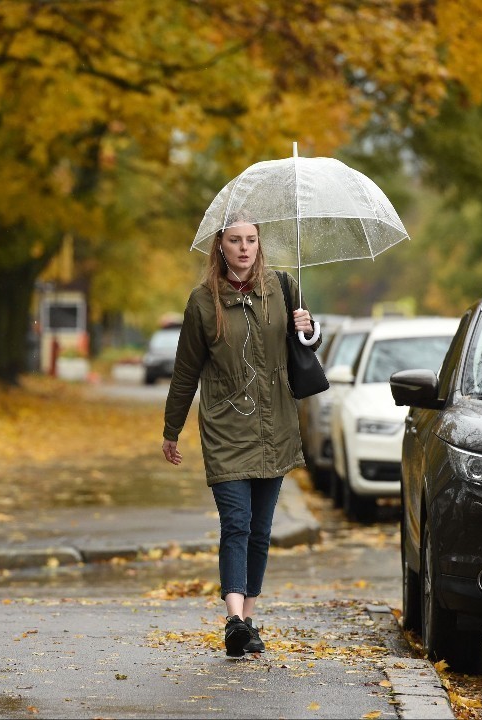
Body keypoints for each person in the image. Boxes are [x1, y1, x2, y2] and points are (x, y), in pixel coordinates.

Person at [161, 220, 318, 658]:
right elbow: (185, 372)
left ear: (258, 245)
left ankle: (247, 621)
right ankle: (233, 617)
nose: (244, 248)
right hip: (227, 427)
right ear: (221, 246)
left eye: (251, 240)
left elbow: (308, 345)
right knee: (237, 523)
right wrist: (171, 430)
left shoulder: (283, 287)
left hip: (276, 426)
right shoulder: (202, 303)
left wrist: (307, 326)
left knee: (261, 531)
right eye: (235, 241)